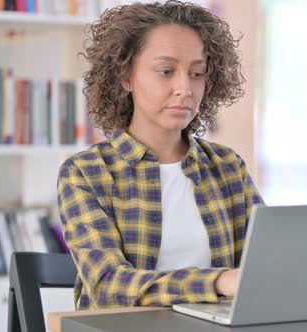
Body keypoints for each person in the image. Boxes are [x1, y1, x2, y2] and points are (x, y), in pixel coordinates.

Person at [57, 0, 263, 310]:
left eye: (197, 73)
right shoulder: (86, 173)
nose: (185, 88)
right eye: (166, 71)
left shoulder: (228, 168)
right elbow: (109, 285)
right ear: (126, 76)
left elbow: (266, 269)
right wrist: (217, 282)